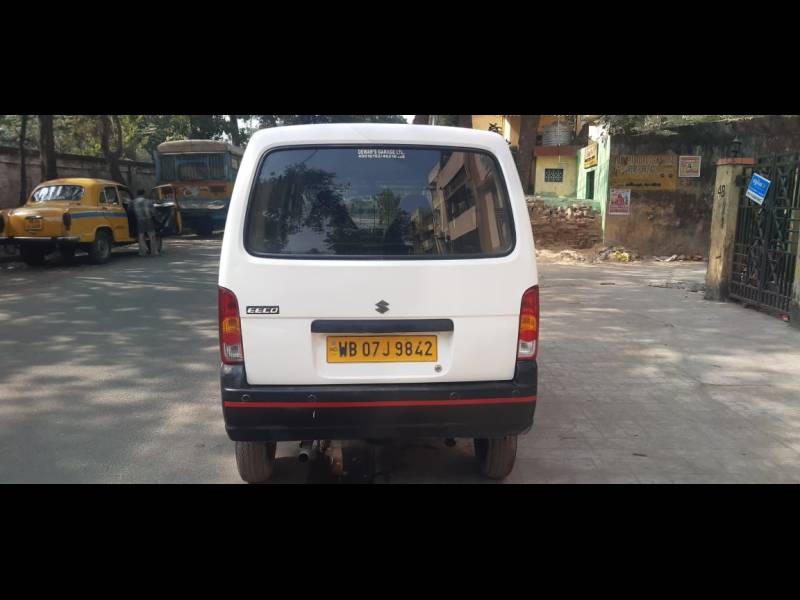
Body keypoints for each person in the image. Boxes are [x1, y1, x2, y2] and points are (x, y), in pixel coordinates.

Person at [132, 190, 159, 257]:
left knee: (141, 237)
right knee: (152, 236)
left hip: (139, 220)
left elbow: (130, 211)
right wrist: (157, 219)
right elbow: (153, 212)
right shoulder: (148, 201)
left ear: (137, 194)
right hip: (148, 220)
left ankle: (142, 252)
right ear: (143, 194)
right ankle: (154, 252)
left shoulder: (133, 202)